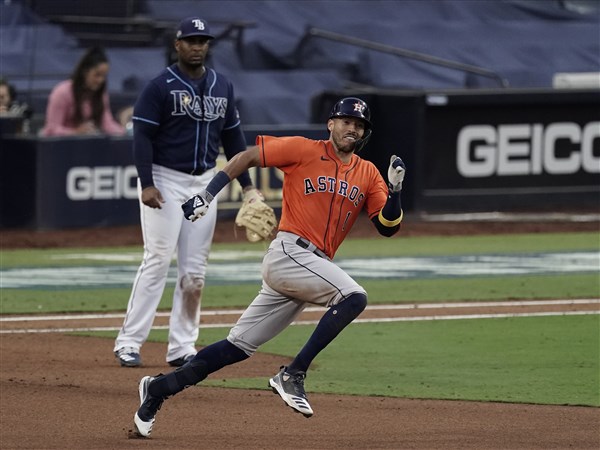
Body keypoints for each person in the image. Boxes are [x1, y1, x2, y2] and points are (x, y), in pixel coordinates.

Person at [131, 97, 407, 437]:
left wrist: (394, 192)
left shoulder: (367, 173)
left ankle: (158, 389)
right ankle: (293, 374)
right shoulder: (303, 149)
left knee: (237, 347)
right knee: (353, 297)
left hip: (309, 268)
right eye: (345, 121)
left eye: (359, 125)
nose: (352, 128)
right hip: (290, 253)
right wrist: (208, 194)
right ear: (330, 124)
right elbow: (247, 156)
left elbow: (387, 226)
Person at [113, 17, 262, 368]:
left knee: (195, 271)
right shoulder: (159, 86)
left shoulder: (222, 85)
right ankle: (129, 342)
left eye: (203, 41)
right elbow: (142, 138)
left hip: (204, 182)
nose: (197, 46)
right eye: (191, 40)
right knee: (158, 259)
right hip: (165, 179)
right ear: (177, 45)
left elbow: (234, 140)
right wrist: (147, 182)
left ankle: (181, 346)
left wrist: (248, 187)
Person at [40, 46, 125, 136]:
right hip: (60, 146)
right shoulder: (62, 92)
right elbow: (52, 129)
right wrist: (76, 132)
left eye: (104, 76)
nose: (100, 80)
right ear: (85, 71)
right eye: (97, 75)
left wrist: (125, 133)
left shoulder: (101, 95)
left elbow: (107, 124)